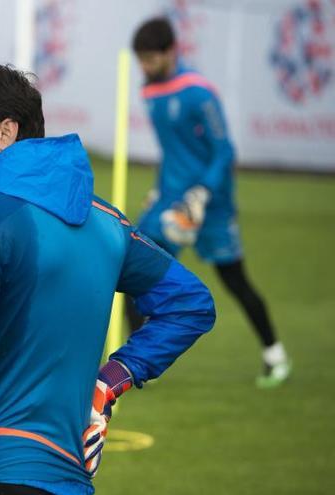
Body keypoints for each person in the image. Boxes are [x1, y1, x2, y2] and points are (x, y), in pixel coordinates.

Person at [0, 62, 216, 495]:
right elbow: (190, 304)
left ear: (5, 131)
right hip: (68, 481)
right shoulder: (108, 222)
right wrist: (111, 380)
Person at [130, 17, 290, 388]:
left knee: (234, 280)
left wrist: (202, 193)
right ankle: (136, 367)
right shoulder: (149, 91)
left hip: (211, 204)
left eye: (151, 59)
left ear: (171, 51)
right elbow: (172, 152)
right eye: (141, 60)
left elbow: (224, 149)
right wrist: (159, 191)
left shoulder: (199, 92)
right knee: (133, 272)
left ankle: (275, 355)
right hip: (169, 201)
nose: (146, 67)